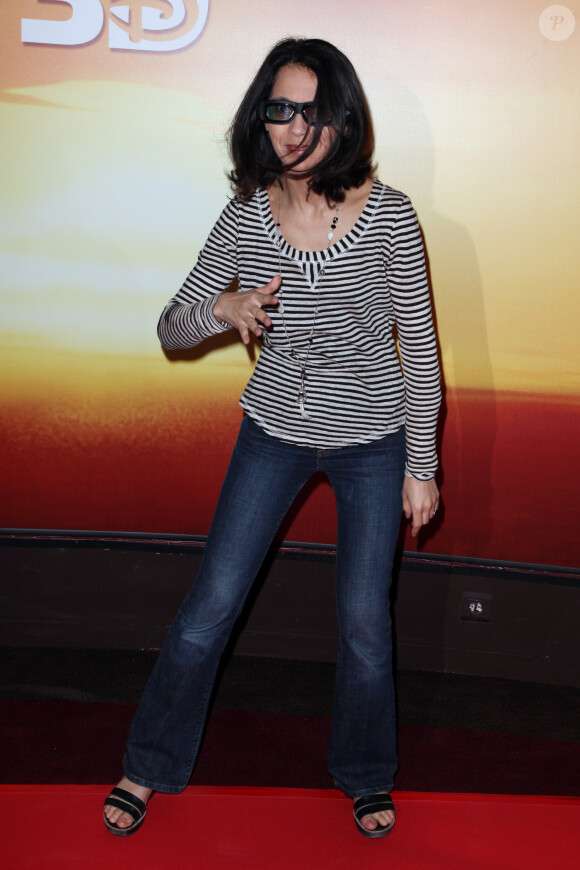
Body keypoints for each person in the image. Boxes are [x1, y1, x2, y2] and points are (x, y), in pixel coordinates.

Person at [103, 36, 440, 840]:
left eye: (312, 110)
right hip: (276, 430)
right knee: (208, 607)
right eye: (279, 109)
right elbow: (172, 327)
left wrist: (422, 465)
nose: (294, 127)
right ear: (262, 118)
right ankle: (148, 764)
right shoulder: (247, 217)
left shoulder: (389, 213)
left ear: (343, 116)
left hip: (370, 438)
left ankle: (363, 776)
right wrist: (225, 309)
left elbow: (419, 347)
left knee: (364, 619)